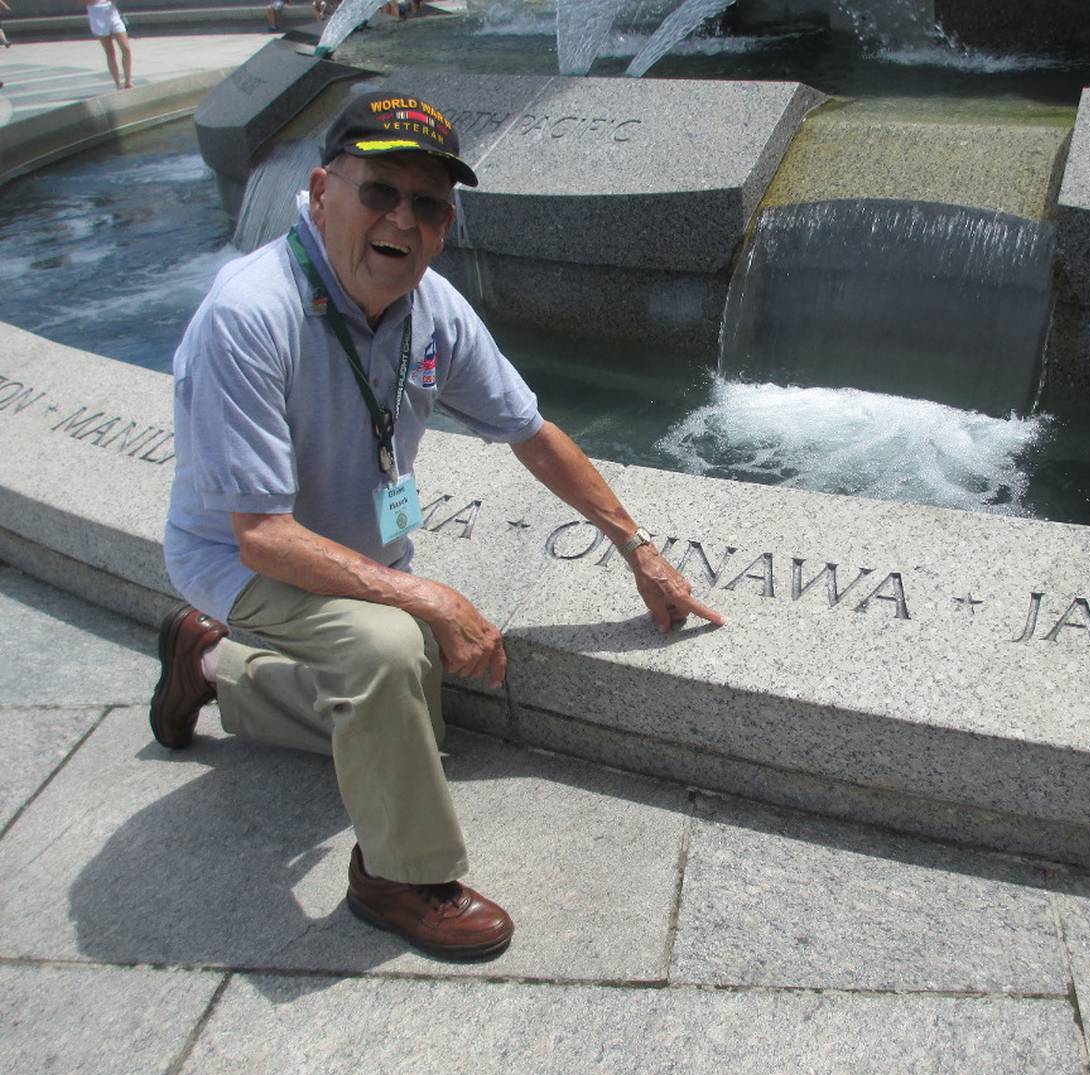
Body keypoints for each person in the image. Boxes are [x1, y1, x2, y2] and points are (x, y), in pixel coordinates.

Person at [151, 91, 725, 962]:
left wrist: (637, 547)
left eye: (428, 204)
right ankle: (398, 878)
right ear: (319, 190)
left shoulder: (431, 309)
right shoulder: (250, 314)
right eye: (380, 191)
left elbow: (531, 433)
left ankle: (206, 664)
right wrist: (420, 592)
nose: (403, 220)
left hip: (350, 551)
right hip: (242, 558)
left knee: (412, 716)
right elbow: (261, 533)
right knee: (387, 651)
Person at [83, 0, 132, 90]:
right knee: (110, 52)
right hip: (97, 14)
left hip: (112, 14)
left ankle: (128, 81)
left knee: (126, 48)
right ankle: (118, 83)